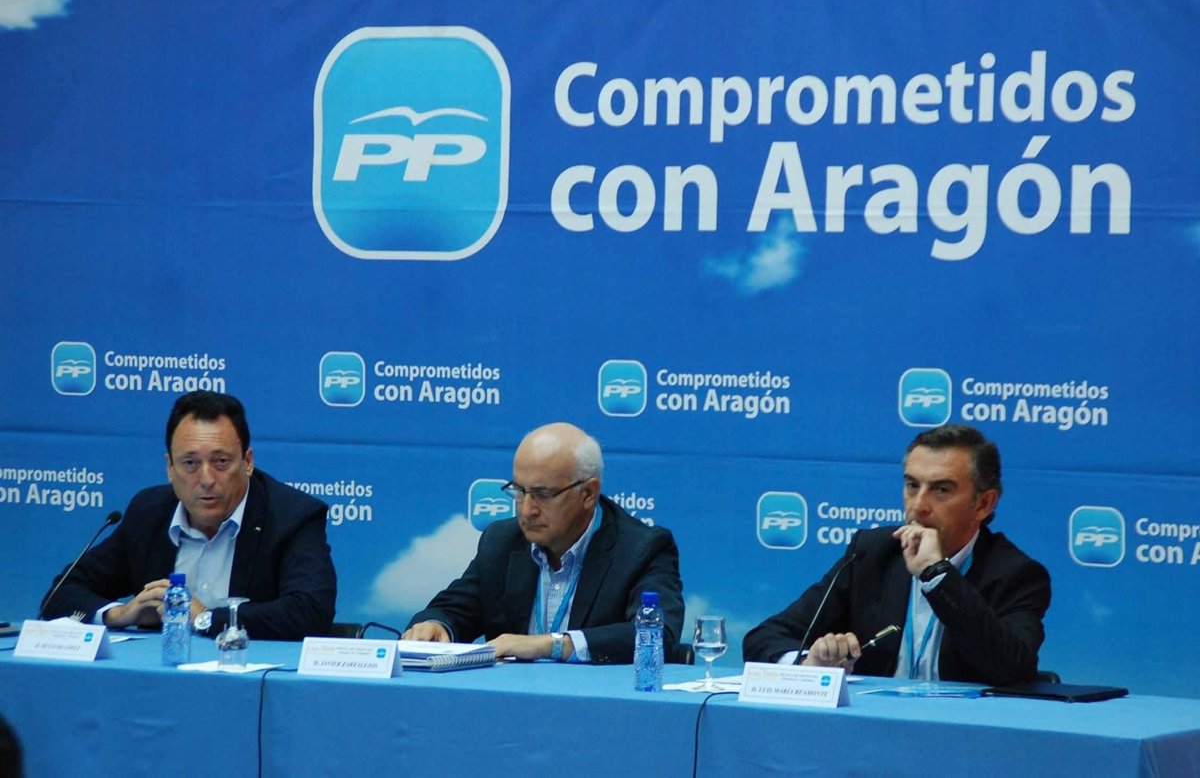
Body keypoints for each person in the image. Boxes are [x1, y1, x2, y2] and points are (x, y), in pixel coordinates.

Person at [743, 424, 1050, 686]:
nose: (918, 506)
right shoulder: (873, 553)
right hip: (872, 728)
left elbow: (1011, 669)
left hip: (963, 731)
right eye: (912, 485)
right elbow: (766, 637)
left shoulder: (1015, 575)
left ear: (983, 504)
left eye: (941, 490)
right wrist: (808, 665)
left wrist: (936, 574)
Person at [40, 391, 336, 641]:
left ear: (247, 462)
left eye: (221, 461)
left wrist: (206, 618)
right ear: (170, 468)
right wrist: (117, 614)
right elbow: (61, 594)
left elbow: (310, 612)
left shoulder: (292, 517)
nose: (206, 479)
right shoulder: (149, 512)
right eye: (190, 463)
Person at [404, 422, 685, 664]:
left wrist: (551, 645)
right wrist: (436, 625)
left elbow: (658, 635)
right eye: (519, 491)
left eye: (543, 495)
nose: (527, 510)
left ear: (588, 493)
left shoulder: (642, 548)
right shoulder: (503, 541)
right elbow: (455, 608)